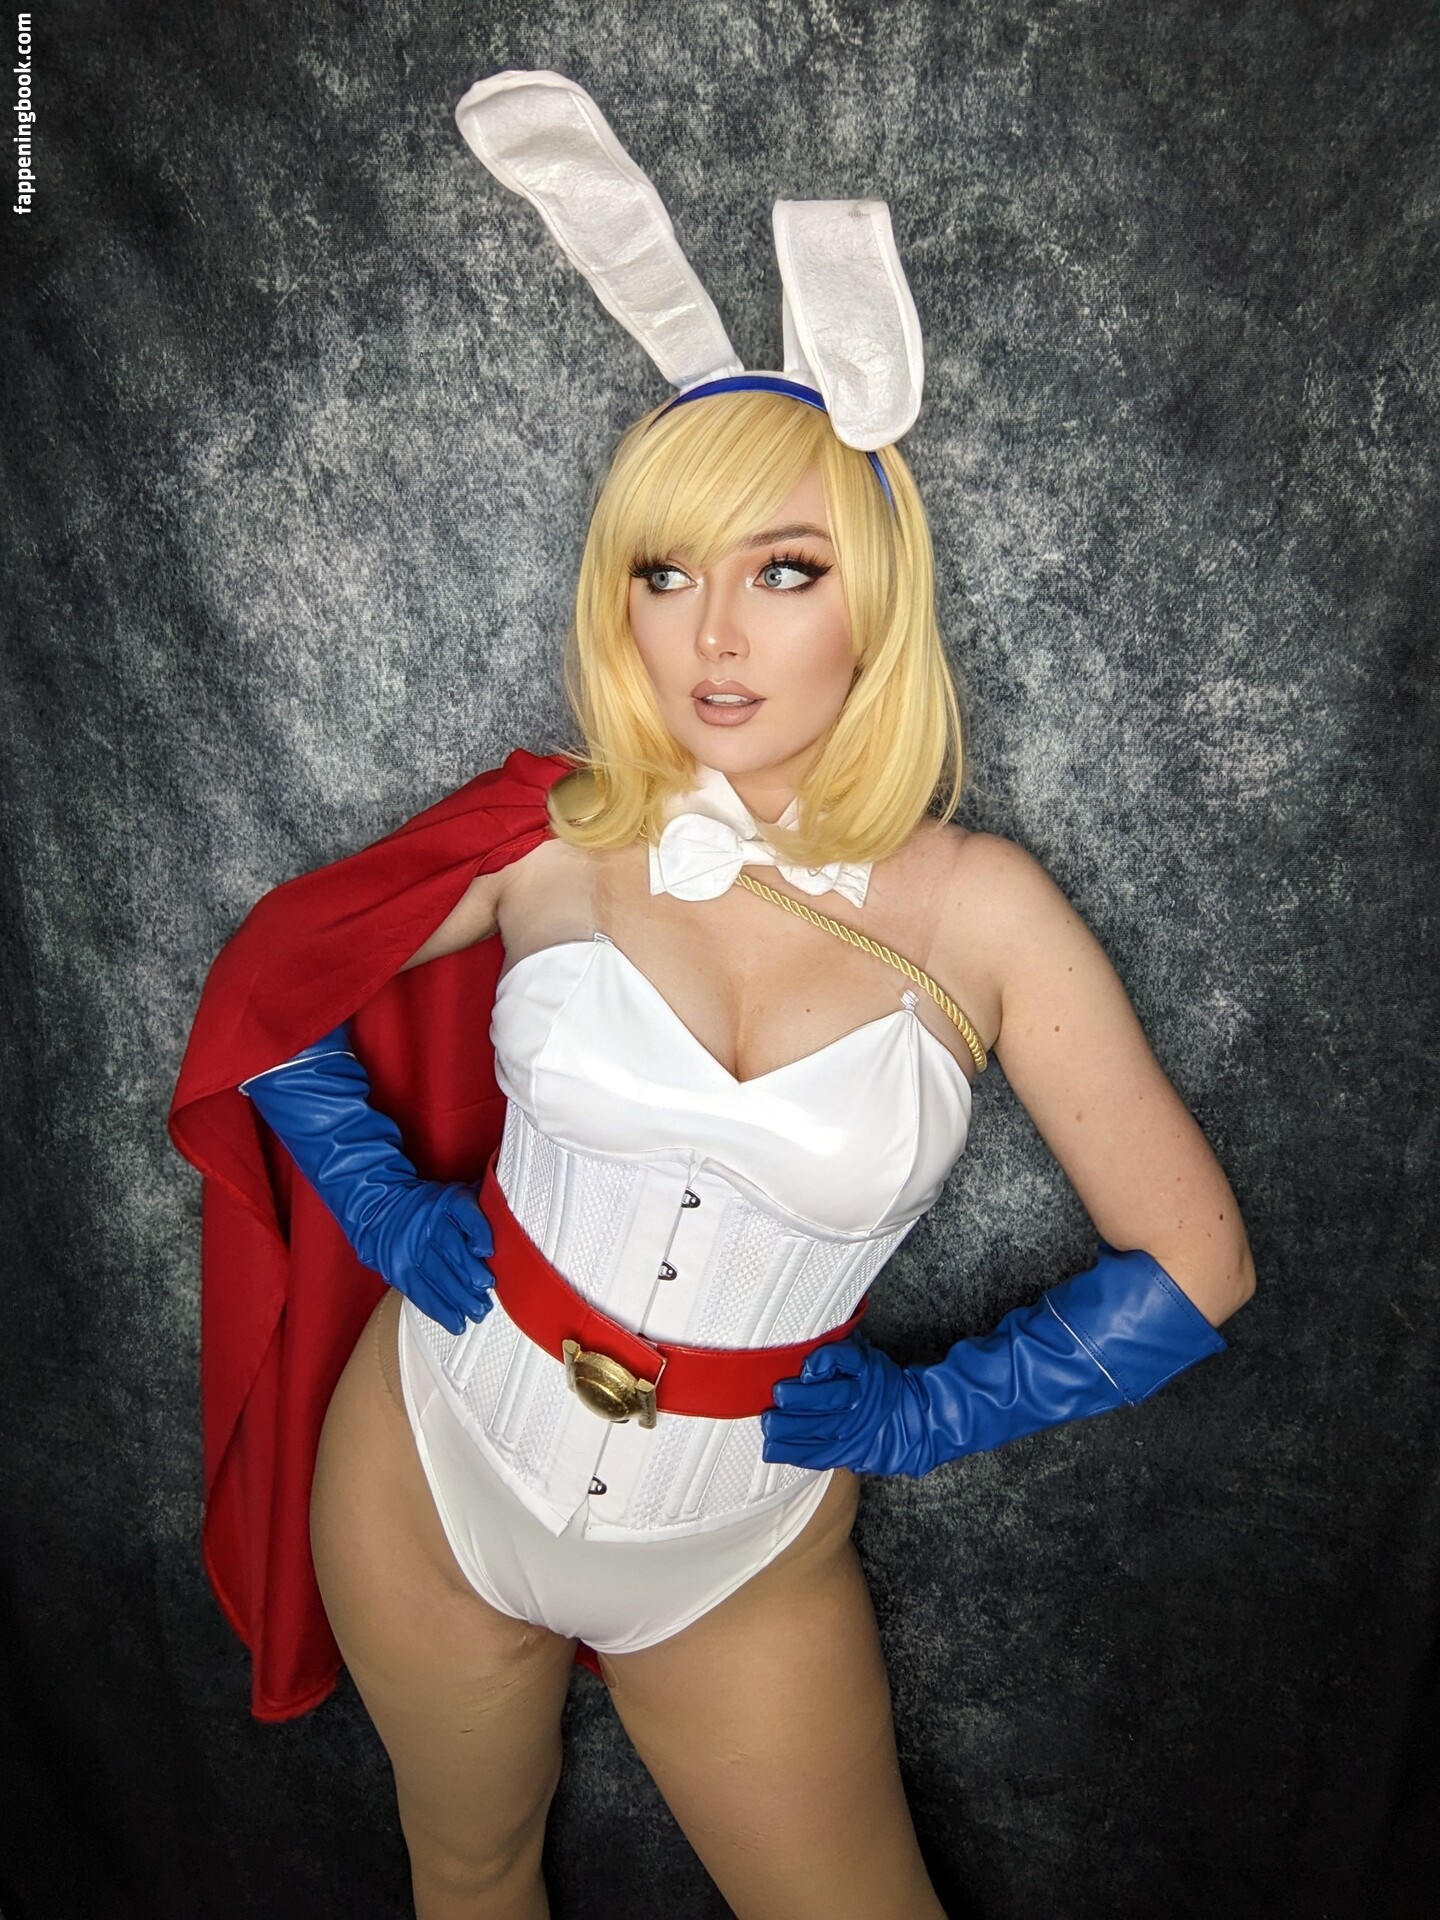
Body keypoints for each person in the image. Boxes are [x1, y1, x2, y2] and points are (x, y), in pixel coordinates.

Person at [171, 70, 1254, 1920]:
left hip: (734, 1549)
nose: (716, 635)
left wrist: (934, 1413)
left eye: (785, 570)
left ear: (873, 598)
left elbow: (1198, 1263)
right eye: (665, 574)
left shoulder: (986, 911)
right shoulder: (552, 833)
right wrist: (374, 1196)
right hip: (433, 1449)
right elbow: (282, 976)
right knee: (469, 1871)